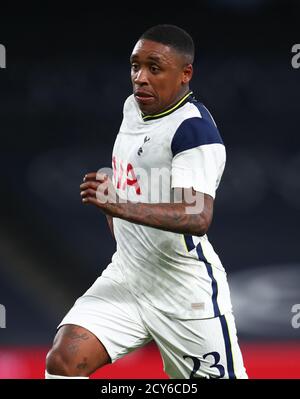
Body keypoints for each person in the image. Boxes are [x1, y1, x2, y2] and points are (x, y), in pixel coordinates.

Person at [45, 24, 247, 379]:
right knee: (64, 361)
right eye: (135, 66)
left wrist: (118, 205)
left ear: (185, 74)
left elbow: (198, 216)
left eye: (154, 68)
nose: (140, 78)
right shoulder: (133, 109)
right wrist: (113, 190)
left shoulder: (193, 130)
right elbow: (129, 192)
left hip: (184, 292)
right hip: (127, 277)